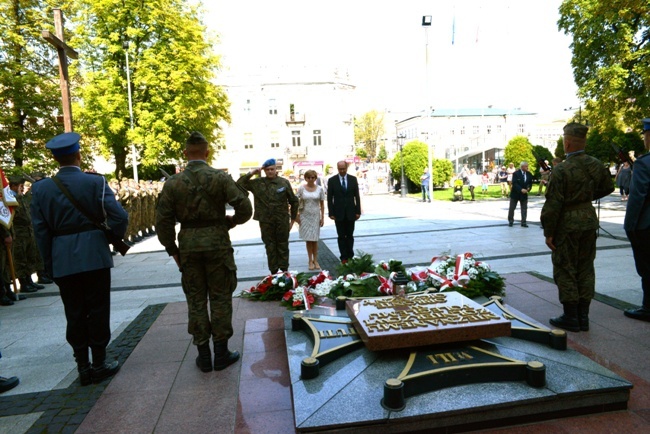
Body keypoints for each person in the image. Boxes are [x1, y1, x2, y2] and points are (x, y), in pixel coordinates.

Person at [30, 132, 129, 385]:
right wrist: (111, 237)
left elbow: (40, 232)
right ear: (78, 155)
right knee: (97, 309)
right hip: (94, 255)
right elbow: (119, 217)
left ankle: (82, 367)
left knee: (73, 312)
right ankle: (99, 363)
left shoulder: (41, 189)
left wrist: (49, 262)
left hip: (62, 258)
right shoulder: (96, 182)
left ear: (55, 158)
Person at [157, 132, 252, 372]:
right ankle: (221, 353)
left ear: (185, 154)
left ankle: (203, 355)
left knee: (196, 299)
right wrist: (230, 222)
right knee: (220, 297)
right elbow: (245, 208)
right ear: (207, 153)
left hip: (188, 244)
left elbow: (163, 222)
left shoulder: (173, 183)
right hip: (217, 242)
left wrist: (173, 250)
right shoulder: (219, 177)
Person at [540, 123, 614, 332]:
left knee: (565, 267)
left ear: (568, 142)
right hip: (589, 221)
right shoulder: (596, 164)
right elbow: (608, 187)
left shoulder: (562, 169)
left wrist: (549, 232)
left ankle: (571, 316)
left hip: (568, 224)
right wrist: (586, 198)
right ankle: (584, 316)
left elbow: (553, 204)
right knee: (585, 267)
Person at [238, 158, 298, 274]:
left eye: (272, 169)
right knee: (270, 246)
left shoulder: (283, 182)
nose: (270, 171)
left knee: (283, 245)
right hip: (266, 221)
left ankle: (285, 271)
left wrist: (293, 219)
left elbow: (293, 201)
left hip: (282, 220)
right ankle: (274, 272)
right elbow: (239, 184)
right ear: (264, 170)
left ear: (276, 169)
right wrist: (252, 173)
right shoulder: (257, 183)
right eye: (267, 169)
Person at [623, 118, 650, 322]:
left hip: (646, 226)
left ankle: (648, 307)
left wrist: (629, 225)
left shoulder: (644, 162)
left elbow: (637, 196)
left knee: (647, 267)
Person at [8, 176, 43, 293]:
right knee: (20, 258)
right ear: (13, 186)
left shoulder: (21, 198)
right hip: (19, 234)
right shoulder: (11, 199)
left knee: (29, 257)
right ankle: (23, 282)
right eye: (20, 186)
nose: (22, 188)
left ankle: (29, 280)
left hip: (28, 232)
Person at [327, 160, 361, 262]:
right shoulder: (332, 180)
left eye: (343, 169)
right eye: (340, 169)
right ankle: (343, 257)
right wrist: (331, 213)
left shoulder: (353, 179)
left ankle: (350, 256)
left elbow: (357, 196)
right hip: (338, 213)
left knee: (350, 235)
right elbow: (329, 198)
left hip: (351, 212)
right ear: (337, 169)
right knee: (341, 236)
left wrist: (358, 211)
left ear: (346, 168)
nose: (342, 171)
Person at [296, 169, 325, 270]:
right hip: (305, 215)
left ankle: (316, 260)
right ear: (305, 178)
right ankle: (310, 260)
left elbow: (322, 204)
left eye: (313, 177)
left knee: (315, 239)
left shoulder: (320, 189)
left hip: (315, 215)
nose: (311, 179)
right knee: (308, 239)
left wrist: (322, 218)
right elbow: (295, 201)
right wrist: (296, 215)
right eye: (308, 177)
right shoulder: (301, 188)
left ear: (315, 178)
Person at [507, 161, 533, 227]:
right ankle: (511, 221)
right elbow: (515, 183)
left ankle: (523, 222)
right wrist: (521, 189)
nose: (527, 167)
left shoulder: (529, 174)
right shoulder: (516, 173)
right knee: (512, 208)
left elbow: (530, 183)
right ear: (522, 167)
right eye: (526, 166)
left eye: (527, 166)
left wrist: (528, 188)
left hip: (524, 194)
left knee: (524, 208)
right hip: (515, 193)